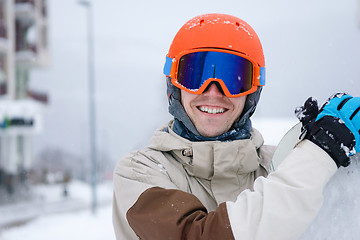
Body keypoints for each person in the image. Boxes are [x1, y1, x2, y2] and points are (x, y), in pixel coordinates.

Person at [112, 13, 360, 239]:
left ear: (252, 94)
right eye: (196, 75)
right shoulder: (140, 172)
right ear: (174, 86)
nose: (213, 91)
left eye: (233, 78)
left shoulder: (282, 163)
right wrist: (319, 152)